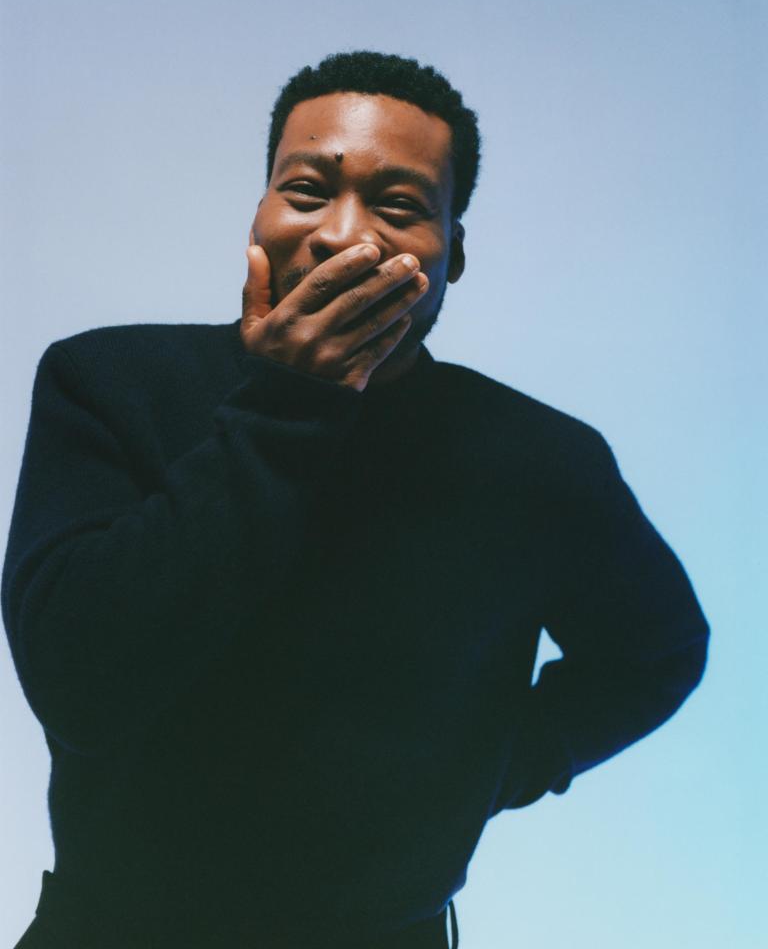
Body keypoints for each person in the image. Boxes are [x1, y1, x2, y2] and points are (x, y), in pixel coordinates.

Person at [2, 50, 710, 949]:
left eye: (399, 206)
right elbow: (78, 683)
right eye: (305, 190)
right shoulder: (108, 383)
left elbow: (658, 650)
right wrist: (287, 408)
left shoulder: (539, 458)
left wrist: (490, 768)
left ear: (453, 255)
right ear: (259, 214)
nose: (342, 236)